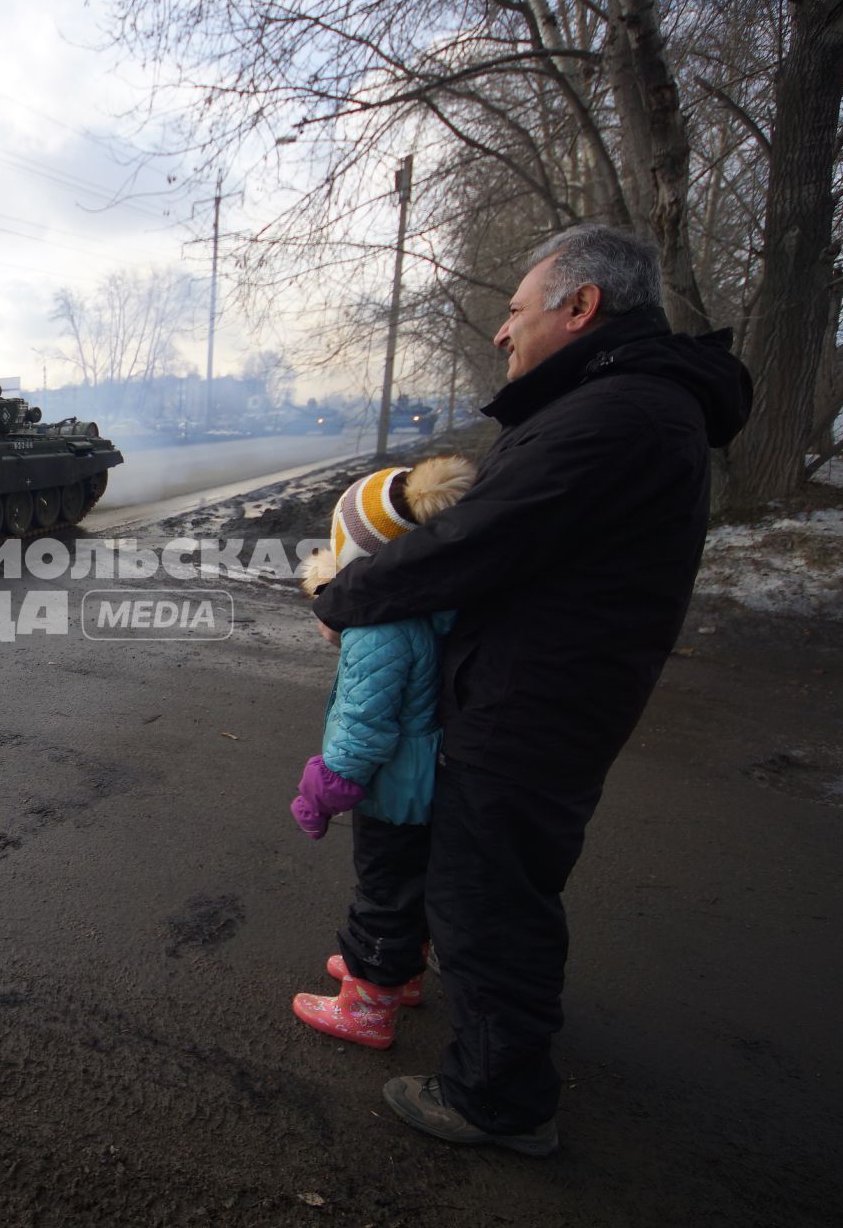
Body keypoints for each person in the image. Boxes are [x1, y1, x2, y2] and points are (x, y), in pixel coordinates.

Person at [312, 224, 753, 1156]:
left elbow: (475, 540)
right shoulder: (626, 403)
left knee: (491, 901)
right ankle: (467, 1026)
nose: (504, 334)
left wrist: (345, 597)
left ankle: (498, 1099)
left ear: (581, 307)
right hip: (543, 690)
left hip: (530, 705)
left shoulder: (616, 414)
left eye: (517, 312)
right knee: (486, 882)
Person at [287, 456, 476, 1050]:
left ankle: (369, 1004)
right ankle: (401, 975)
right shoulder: (425, 606)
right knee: (408, 884)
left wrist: (327, 785)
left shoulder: (378, 623)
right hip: (424, 775)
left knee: (382, 891)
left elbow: (365, 723)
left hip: (393, 784)